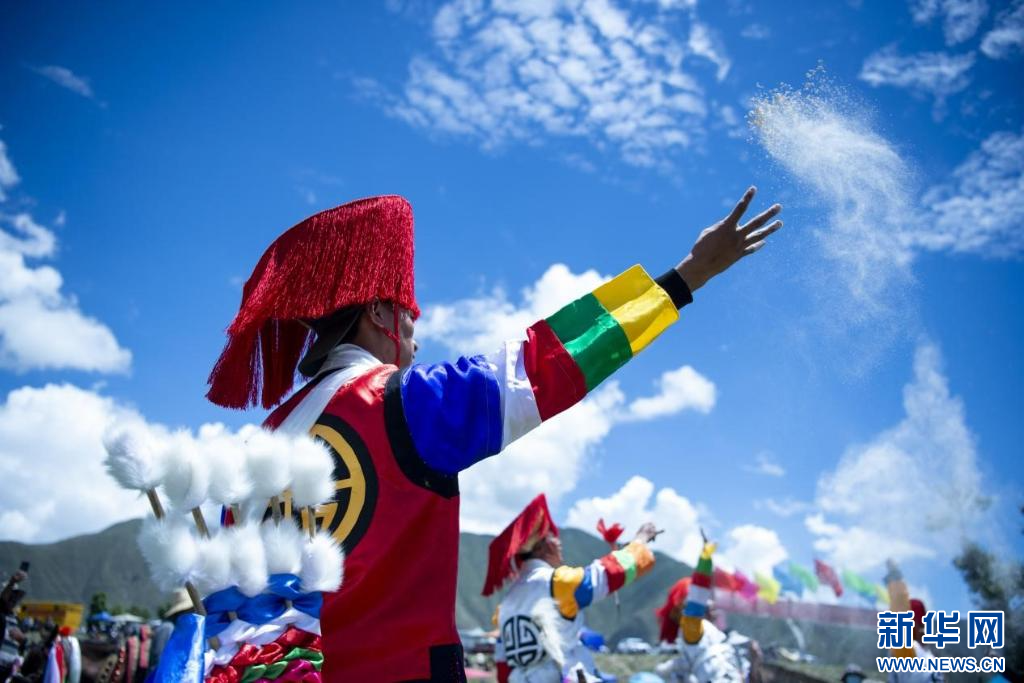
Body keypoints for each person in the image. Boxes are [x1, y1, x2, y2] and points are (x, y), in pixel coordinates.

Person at [207, 189, 784, 681]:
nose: (416, 333)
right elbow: (550, 363)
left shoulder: (257, 451)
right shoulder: (406, 403)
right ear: (380, 314)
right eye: (409, 315)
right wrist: (687, 276)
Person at [486, 495, 657, 682]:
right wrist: (640, 540)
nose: (559, 543)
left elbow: (503, 665)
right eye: (553, 536)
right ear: (543, 546)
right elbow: (610, 573)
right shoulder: (556, 583)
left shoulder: (505, 606)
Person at [655, 543, 745, 683]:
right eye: (706, 600)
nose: (710, 603)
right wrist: (705, 562)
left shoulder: (704, 634)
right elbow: (696, 600)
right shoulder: (691, 628)